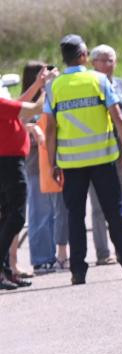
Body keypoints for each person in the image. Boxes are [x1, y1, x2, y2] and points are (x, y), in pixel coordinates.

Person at [43, 34, 122, 285]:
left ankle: (78, 271)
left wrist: (53, 162)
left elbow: (51, 128)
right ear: (84, 55)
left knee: (75, 217)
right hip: (103, 159)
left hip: (71, 163)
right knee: (115, 213)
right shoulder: (98, 80)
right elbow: (118, 117)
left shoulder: (54, 87)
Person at [89, 44, 122, 263]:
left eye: (112, 60)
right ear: (93, 63)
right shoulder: (90, 85)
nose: (108, 64)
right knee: (98, 206)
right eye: (103, 60)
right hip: (98, 154)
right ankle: (103, 252)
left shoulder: (121, 85)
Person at [0, 72, 48, 289]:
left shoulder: (4, 104)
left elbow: (19, 105)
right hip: (8, 163)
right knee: (16, 217)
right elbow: (35, 109)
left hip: (9, 162)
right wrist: (47, 91)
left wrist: (38, 83)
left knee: (7, 217)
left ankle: (5, 271)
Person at [20, 61, 69, 275]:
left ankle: (59, 255)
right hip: (34, 166)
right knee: (40, 214)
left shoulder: (51, 96)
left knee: (59, 212)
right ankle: (41, 258)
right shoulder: (26, 104)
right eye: (44, 73)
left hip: (55, 162)